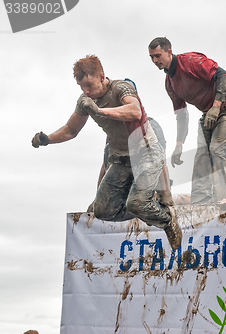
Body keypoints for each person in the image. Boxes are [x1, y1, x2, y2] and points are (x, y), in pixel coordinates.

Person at [31, 55, 182, 249]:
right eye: (81, 88)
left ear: (102, 77)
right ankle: (149, 207)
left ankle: (167, 220)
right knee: (102, 210)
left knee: (136, 203)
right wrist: (48, 139)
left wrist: (100, 111)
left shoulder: (121, 88)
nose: (86, 92)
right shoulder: (86, 100)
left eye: (89, 85)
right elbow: (71, 130)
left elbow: (135, 111)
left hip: (146, 153)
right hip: (121, 159)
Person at [148, 37, 226, 205]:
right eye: (152, 57)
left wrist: (216, 105)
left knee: (216, 150)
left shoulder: (190, 61)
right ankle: (200, 204)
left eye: (158, 55)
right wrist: (179, 145)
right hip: (208, 112)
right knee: (201, 157)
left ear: (169, 52)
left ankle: (223, 200)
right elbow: (182, 114)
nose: (155, 60)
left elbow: (224, 75)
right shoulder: (170, 84)